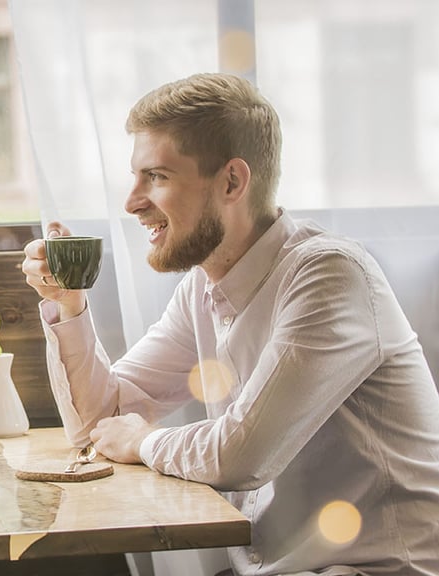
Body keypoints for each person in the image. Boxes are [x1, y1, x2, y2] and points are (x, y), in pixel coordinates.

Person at [21, 73, 439, 575]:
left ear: (232, 182)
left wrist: (143, 440)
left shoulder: (329, 274)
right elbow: (98, 424)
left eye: (156, 176)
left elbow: (241, 455)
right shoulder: (203, 288)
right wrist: (70, 305)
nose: (131, 202)